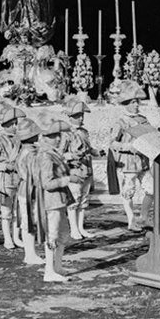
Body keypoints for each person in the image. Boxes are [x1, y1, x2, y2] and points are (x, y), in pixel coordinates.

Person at [109, 80, 152, 231]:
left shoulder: (143, 119)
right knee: (128, 192)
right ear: (126, 102)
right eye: (133, 102)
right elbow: (112, 143)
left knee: (151, 189)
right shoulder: (121, 121)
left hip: (143, 161)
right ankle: (131, 220)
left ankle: (144, 218)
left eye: (138, 101)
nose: (136, 105)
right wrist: (129, 147)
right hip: (129, 162)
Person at [35, 120, 75, 282]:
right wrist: (68, 179)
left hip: (59, 200)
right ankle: (49, 271)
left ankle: (57, 266)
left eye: (58, 135)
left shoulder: (52, 153)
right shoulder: (45, 156)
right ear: (45, 137)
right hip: (51, 201)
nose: (58, 138)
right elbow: (47, 183)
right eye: (53, 136)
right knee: (52, 236)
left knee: (63, 233)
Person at [0, 106, 26, 250]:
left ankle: (16, 236)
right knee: (6, 211)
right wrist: (3, 166)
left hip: (19, 178)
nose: (15, 126)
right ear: (6, 125)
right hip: (4, 180)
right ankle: (7, 238)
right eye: (13, 123)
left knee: (18, 210)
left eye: (16, 123)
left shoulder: (21, 140)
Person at [61, 101, 101, 239]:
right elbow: (59, 153)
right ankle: (73, 229)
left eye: (82, 115)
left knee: (83, 200)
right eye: (78, 115)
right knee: (74, 200)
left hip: (86, 169)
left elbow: (88, 149)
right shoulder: (66, 134)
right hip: (74, 170)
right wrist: (71, 156)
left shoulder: (84, 132)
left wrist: (96, 152)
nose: (81, 118)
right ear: (70, 116)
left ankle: (81, 227)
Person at [15, 117, 45, 265]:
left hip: (25, 188)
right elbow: (35, 174)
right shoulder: (31, 153)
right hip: (30, 190)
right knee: (29, 221)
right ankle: (30, 254)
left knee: (29, 220)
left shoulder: (23, 151)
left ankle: (30, 252)